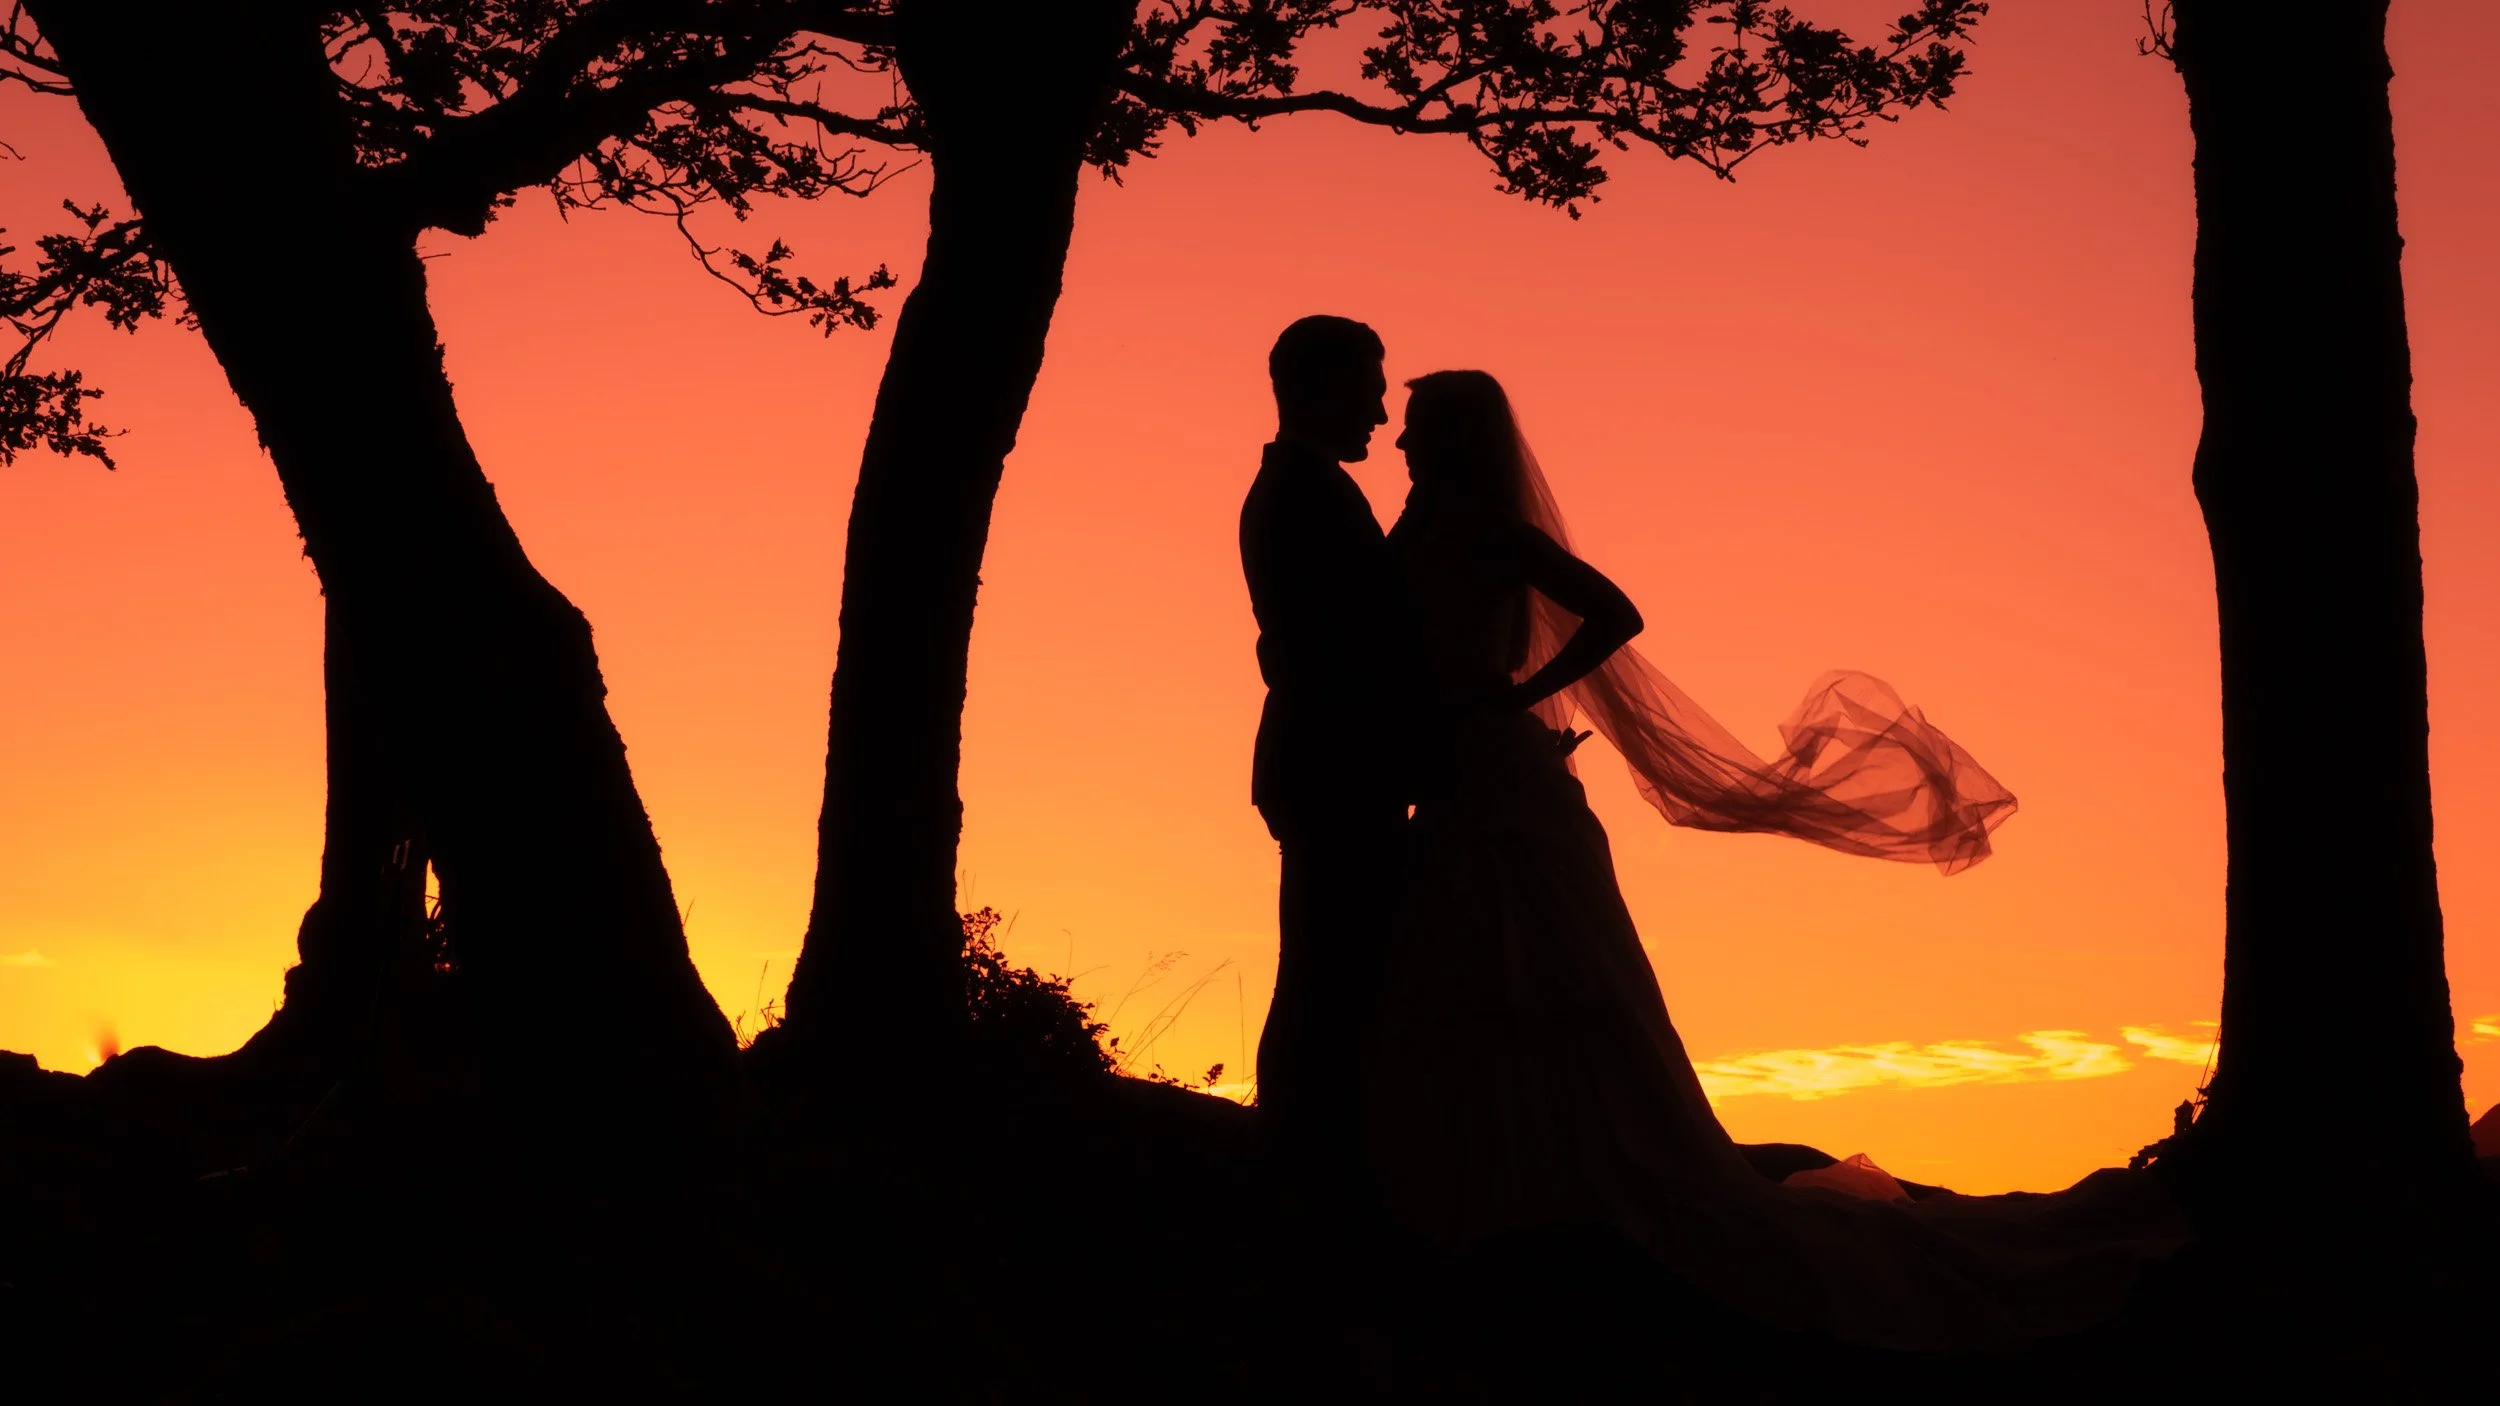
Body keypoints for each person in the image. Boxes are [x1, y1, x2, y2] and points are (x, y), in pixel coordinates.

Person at [1363, 369, 2185, 1351]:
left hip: (1497, 773)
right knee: (1486, 973)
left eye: (1415, 429)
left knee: (1548, 976)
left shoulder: (1487, 530)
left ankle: (1546, 1190)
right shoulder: (1423, 525)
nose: (1399, 443)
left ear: (1451, 440)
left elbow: (1613, 612)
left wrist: (1515, 692)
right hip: (1461, 772)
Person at [1238, 315, 1419, 1196]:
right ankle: (1308, 1164)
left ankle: (1314, 1152)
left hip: (1327, 759)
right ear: (1322, 385)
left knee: (1332, 960)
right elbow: (1342, 642)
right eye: (1371, 390)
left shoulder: (1304, 488)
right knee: (1328, 966)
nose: (1382, 415)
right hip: (1334, 762)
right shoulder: (1301, 493)